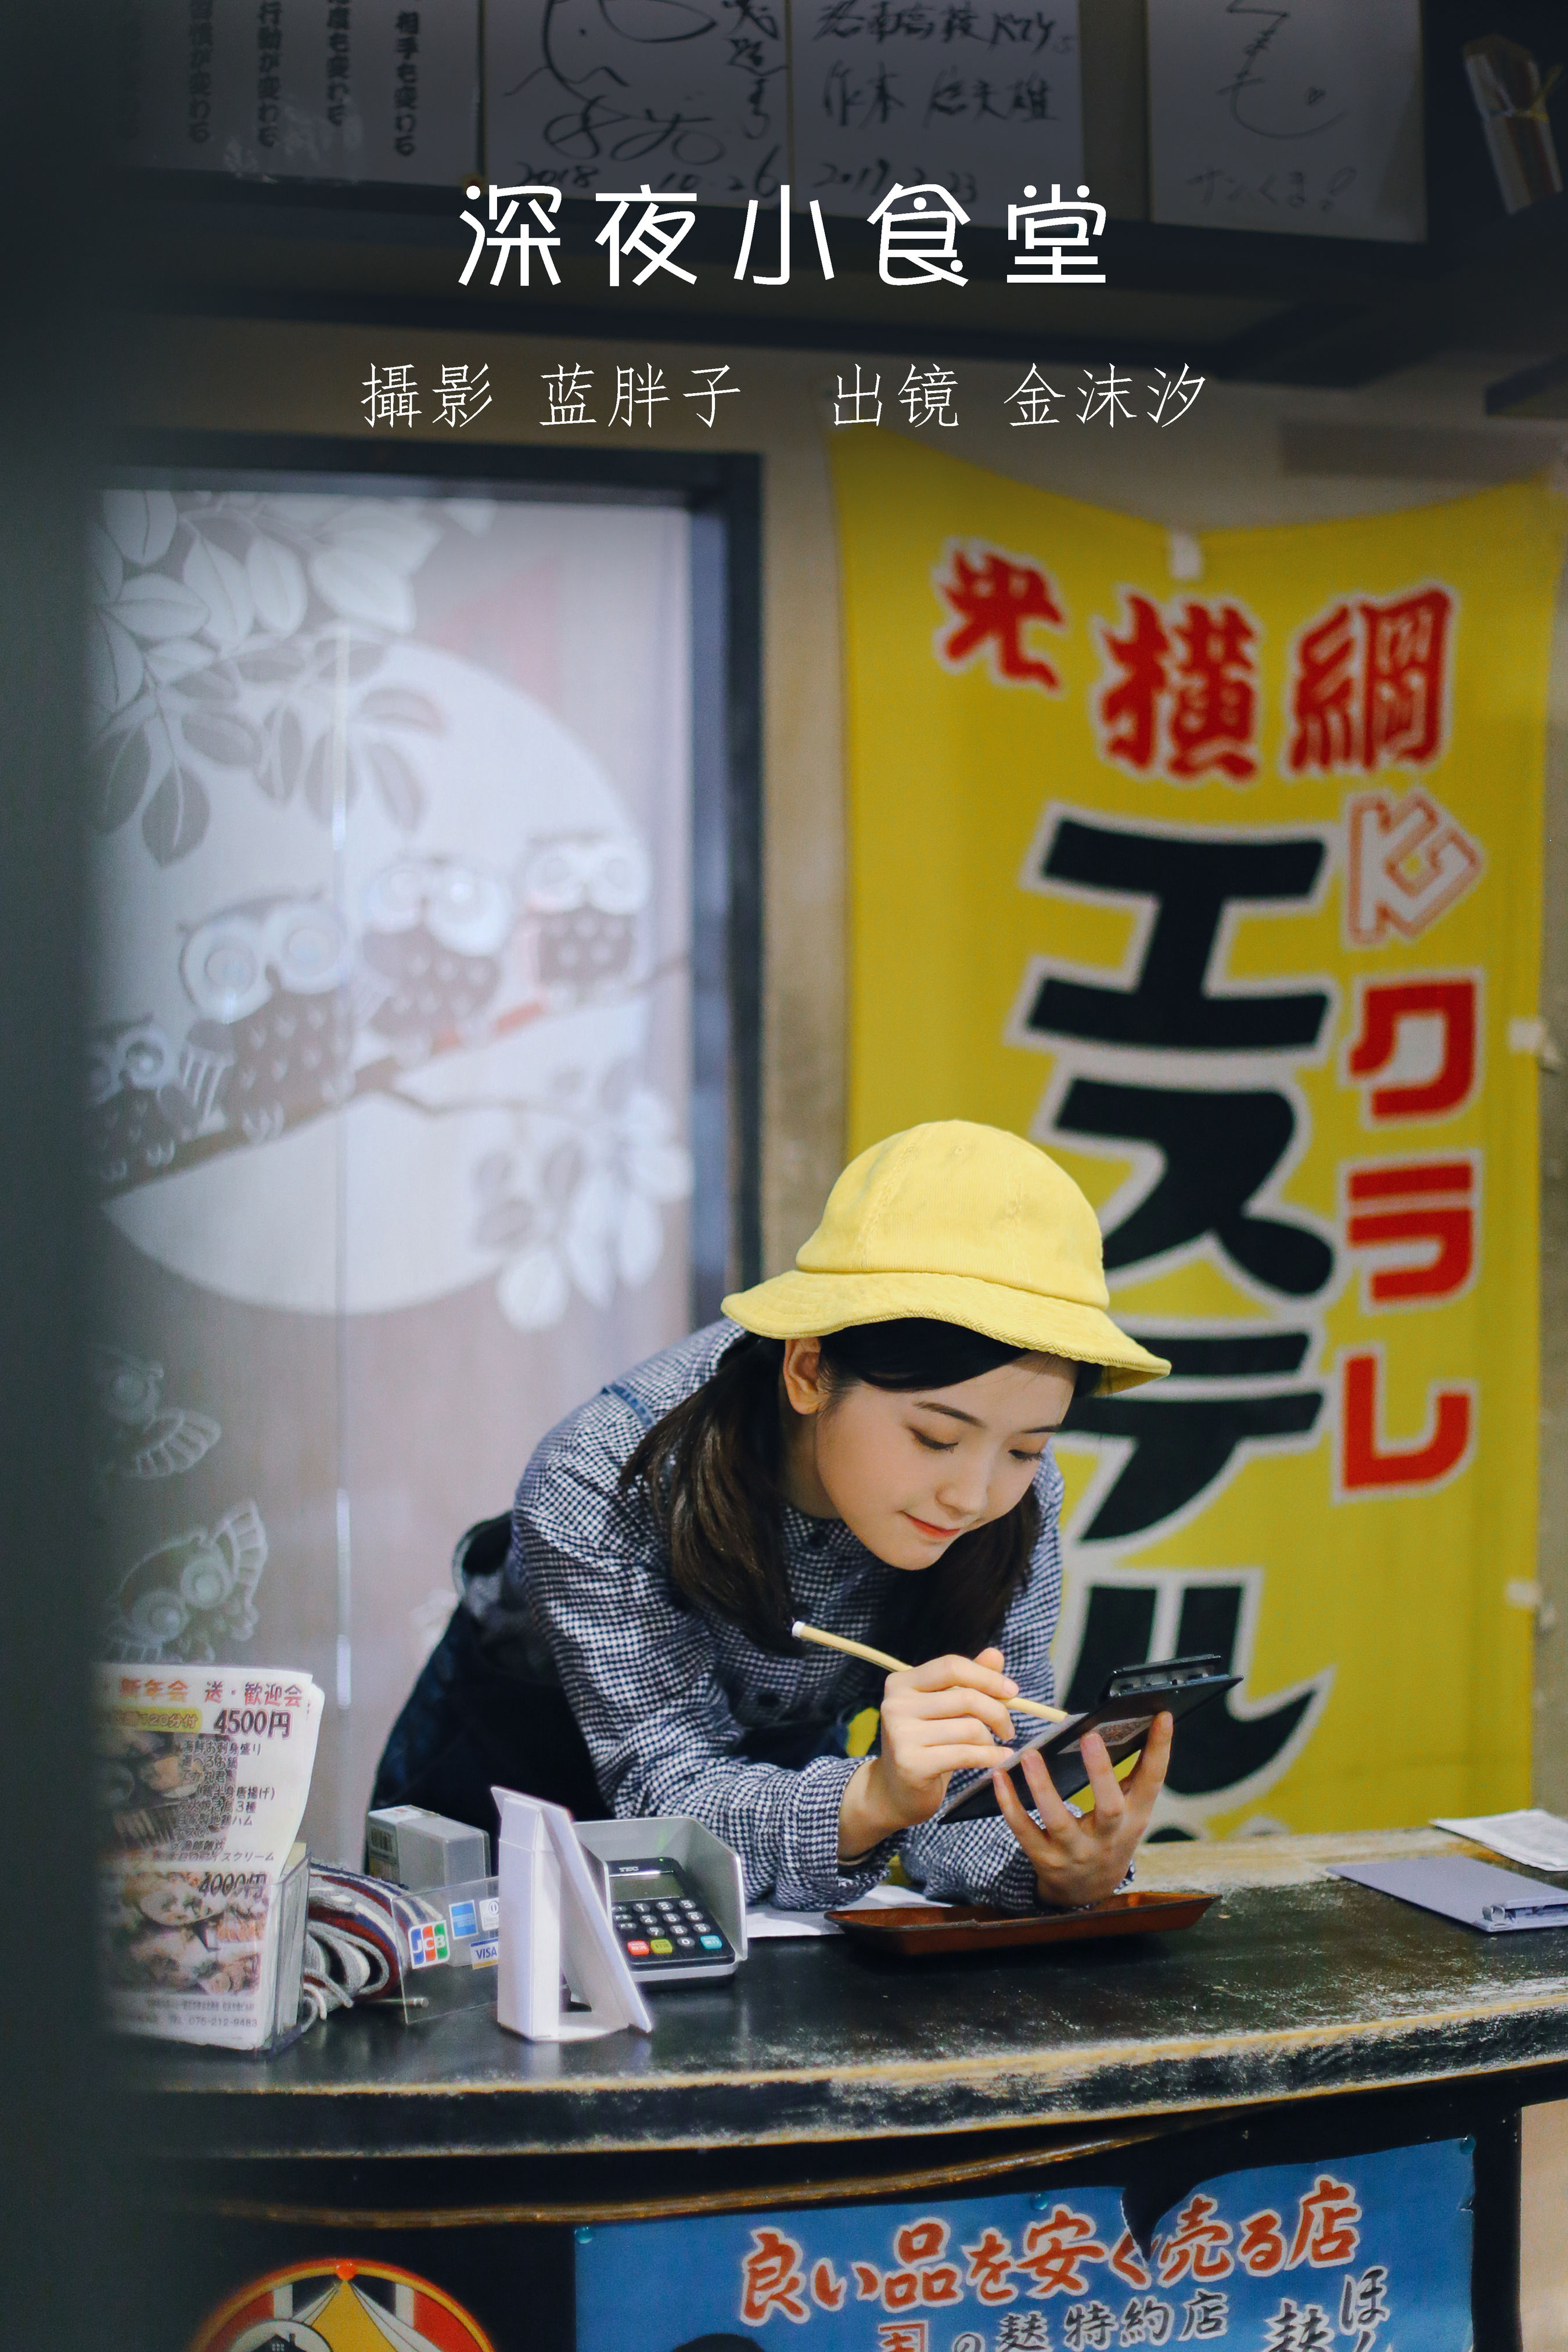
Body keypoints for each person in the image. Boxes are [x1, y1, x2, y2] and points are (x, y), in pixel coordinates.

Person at [372, 1120, 1174, 1914]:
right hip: (507, 1806)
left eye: (1027, 1448)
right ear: (808, 1369)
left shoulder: (1013, 1499)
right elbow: (665, 1791)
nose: (973, 1494)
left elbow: (972, 1789)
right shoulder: (600, 1478)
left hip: (784, 1823)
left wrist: (1053, 1863)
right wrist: (869, 1798)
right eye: (936, 1437)